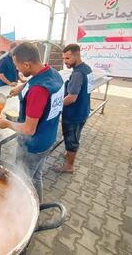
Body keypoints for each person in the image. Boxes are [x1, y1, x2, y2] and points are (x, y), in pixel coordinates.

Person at [0, 42, 64, 201]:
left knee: (21, 184)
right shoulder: (53, 73)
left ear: (27, 64)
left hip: (32, 146)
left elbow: (28, 129)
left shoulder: (38, 91)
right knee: (36, 177)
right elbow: (37, 78)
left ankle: (16, 214)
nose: (17, 70)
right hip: (48, 139)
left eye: (18, 67)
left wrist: (7, 123)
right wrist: (21, 87)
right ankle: (38, 206)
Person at [53, 44, 92, 173]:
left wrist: (54, 106)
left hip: (74, 114)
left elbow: (71, 98)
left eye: (68, 58)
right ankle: (69, 154)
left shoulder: (78, 74)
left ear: (76, 55)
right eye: (64, 59)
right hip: (83, 110)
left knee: (71, 139)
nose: (65, 62)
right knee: (75, 135)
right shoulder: (87, 69)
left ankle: (69, 166)